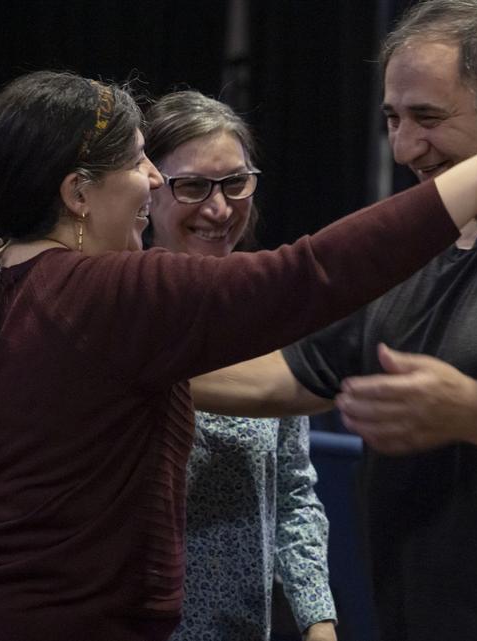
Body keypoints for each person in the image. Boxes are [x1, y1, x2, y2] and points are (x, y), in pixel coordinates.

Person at [0, 70, 477, 641]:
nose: (152, 180)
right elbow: (312, 274)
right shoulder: (109, 292)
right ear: (77, 193)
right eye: (139, 164)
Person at [192, 2, 477, 640]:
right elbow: (299, 374)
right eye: (393, 118)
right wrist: (133, 370)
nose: (405, 146)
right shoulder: (414, 231)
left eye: (429, 118)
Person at [143, 90, 337, 641]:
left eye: (235, 183)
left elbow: (293, 492)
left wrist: (319, 621)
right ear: (147, 189)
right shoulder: (111, 306)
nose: (219, 209)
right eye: (192, 187)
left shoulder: (269, 313)